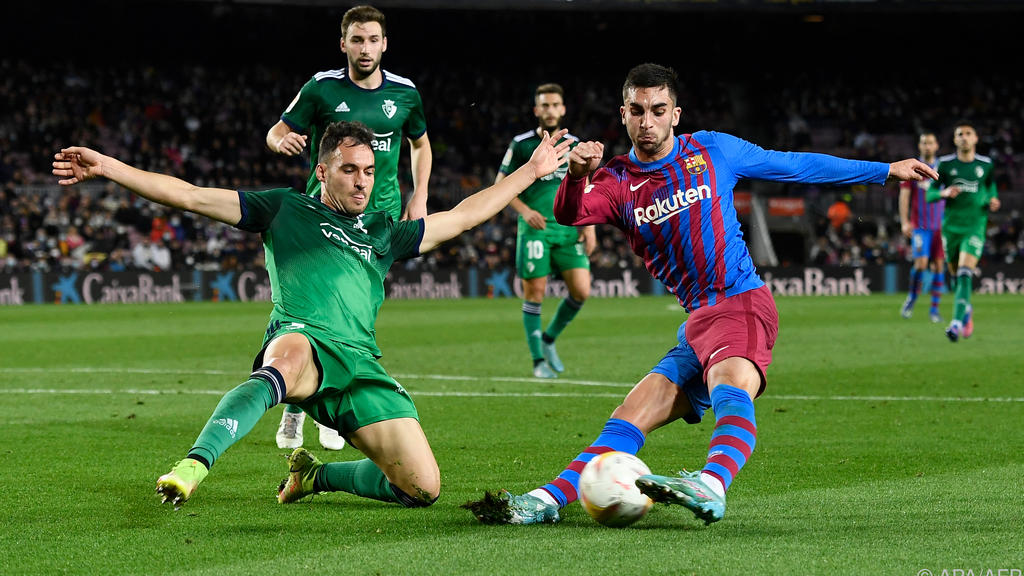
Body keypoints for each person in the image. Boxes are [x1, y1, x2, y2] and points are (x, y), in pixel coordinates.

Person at [464, 63, 935, 526]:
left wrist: (885, 170)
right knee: (628, 416)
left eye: (658, 109)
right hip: (697, 324)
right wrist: (575, 175)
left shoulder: (714, 150)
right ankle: (543, 501)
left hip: (742, 303)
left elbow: (792, 164)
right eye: (637, 110)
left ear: (676, 113)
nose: (647, 121)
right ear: (623, 114)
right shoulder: (615, 180)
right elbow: (571, 214)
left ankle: (712, 484)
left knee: (730, 386)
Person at [52, 121, 571, 510]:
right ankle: (194, 464)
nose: (362, 182)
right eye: (349, 170)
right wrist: (108, 168)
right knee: (287, 357)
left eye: (369, 171)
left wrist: (530, 171)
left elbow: (461, 218)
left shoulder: (383, 231)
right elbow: (189, 195)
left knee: (421, 489)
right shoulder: (285, 209)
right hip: (303, 340)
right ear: (322, 171)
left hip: (360, 364)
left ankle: (314, 477)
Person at [265, 4, 433, 451]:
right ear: (344, 43)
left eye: (373, 39)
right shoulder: (321, 88)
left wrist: (420, 195)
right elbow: (276, 131)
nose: (365, 48)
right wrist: (282, 140)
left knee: (353, 312)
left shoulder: (405, 94)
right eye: (357, 39)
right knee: (314, 311)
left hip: (379, 222)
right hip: (323, 217)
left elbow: (421, 144)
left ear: (385, 43)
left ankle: (323, 400)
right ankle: (299, 408)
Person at [495, 83, 594, 379]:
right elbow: (501, 186)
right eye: (544, 105)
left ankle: (549, 339)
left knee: (582, 290)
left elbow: (585, 188)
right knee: (535, 293)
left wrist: (589, 226)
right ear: (536, 110)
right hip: (535, 229)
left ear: (562, 109)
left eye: (555, 105)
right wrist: (525, 211)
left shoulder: (576, 145)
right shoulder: (522, 144)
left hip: (568, 229)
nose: (550, 110)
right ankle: (538, 360)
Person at [926, 121, 1000, 342]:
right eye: (960, 134)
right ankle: (966, 310)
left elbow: (991, 189)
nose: (964, 137)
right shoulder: (946, 164)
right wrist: (944, 192)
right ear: (955, 139)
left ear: (976, 138)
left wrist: (992, 200)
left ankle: (956, 323)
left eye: (969, 133)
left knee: (965, 272)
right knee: (955, 277)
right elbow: (930, 194)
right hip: (951, 228)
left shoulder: (986, 165)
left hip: (975, 227)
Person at [899, 131, 944, 322]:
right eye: (924, 143)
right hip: (921, 226)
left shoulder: (945, 167)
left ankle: (934, 310)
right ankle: (912, 298)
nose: (927, 146)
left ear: (936, 146)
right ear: (920, 146)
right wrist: (904, 221)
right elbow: (904, 195)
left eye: (930, 142)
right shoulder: (913, 167)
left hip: (941, 227)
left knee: (939, 267)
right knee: (922, 264)